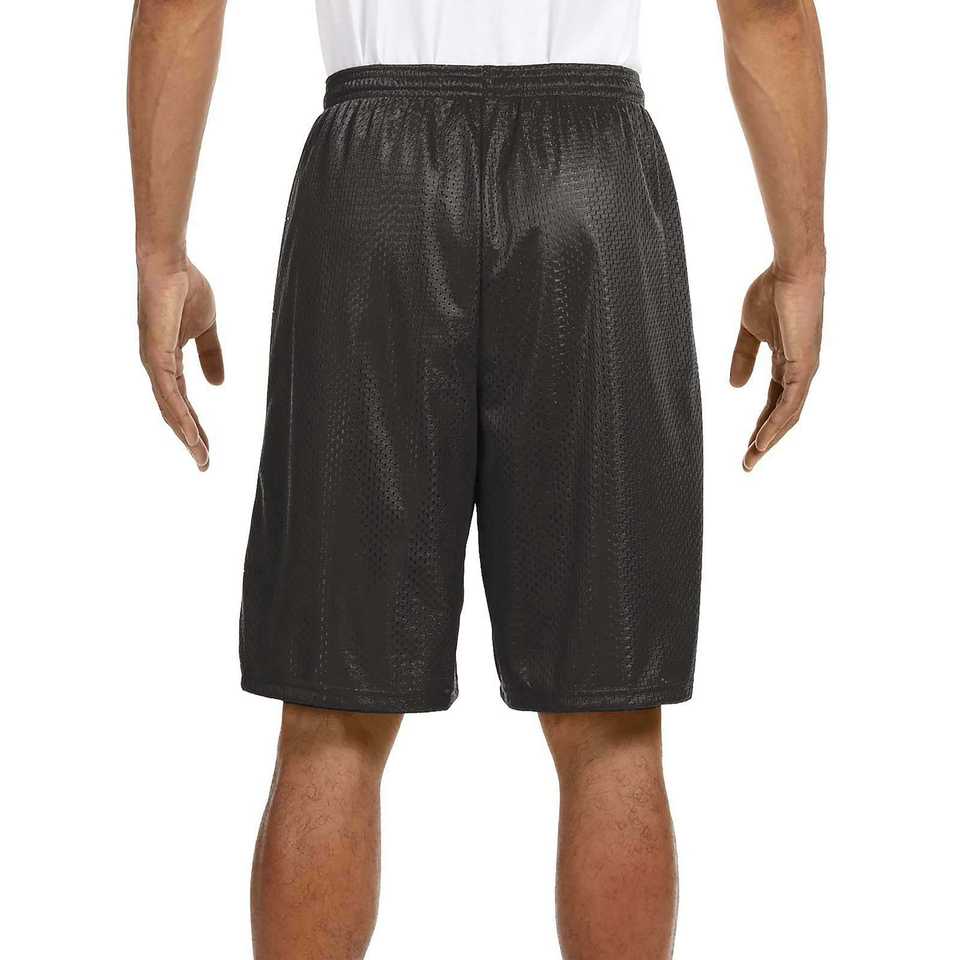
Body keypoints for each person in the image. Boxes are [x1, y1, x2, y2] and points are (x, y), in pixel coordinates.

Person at [128, 1, 825, 956]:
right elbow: (769, 9)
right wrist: (800, 261)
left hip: (375, 185)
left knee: (332, 717)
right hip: (590, 182)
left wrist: (160, 253)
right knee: (611, 727)